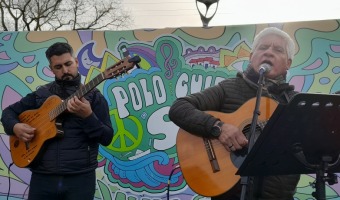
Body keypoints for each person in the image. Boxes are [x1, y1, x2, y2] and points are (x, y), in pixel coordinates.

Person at [169, 27, 300, 199]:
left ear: (288, 63)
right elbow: (179, 107)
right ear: (251, 56)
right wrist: (218, 127)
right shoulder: (228, 88)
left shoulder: (296, 103)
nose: (269, 52)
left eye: (278, 50)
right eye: (263, 47)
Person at [1, 42, 114, 200]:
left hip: (80, 179)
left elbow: (107, 138)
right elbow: (8, 112)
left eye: (68, 64)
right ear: (51, 69)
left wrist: (88, 116)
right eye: (58, 67)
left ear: (76, 62)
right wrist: (15, 127)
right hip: (43, 179)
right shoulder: (41, 95)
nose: (65, 70)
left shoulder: (95, 97)